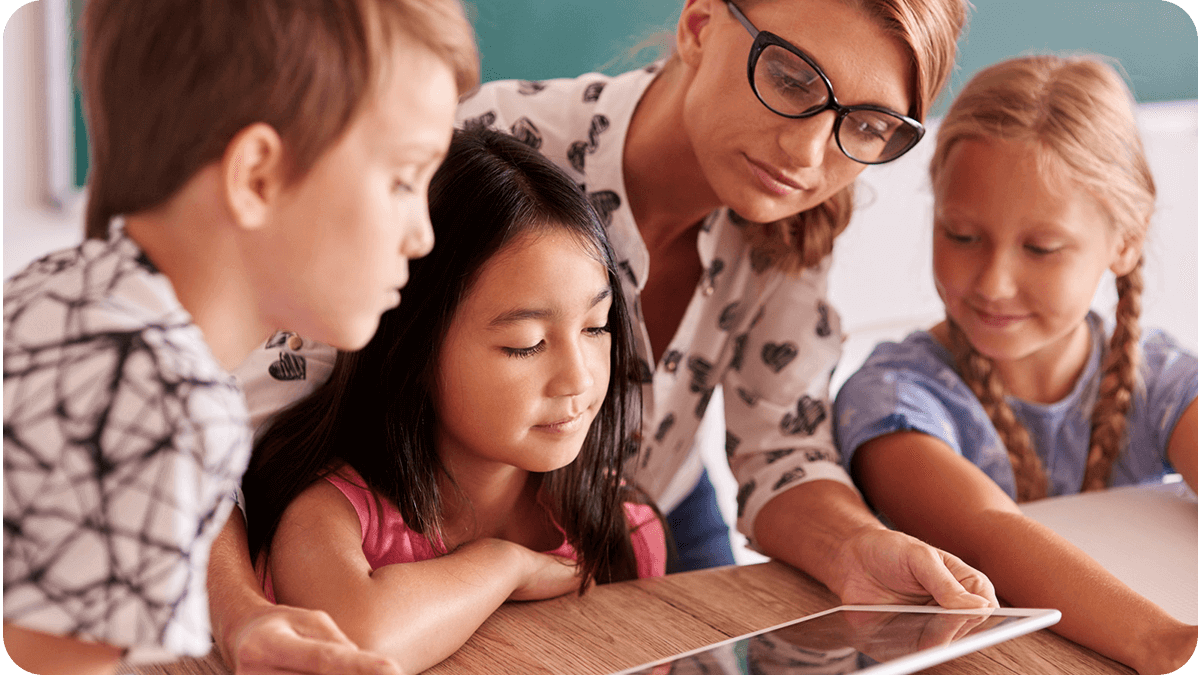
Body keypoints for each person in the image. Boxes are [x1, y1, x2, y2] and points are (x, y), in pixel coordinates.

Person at [233, 0, 998, 613]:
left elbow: (783, 453)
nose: (807, 156)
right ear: (699, 25)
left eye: (865, 125)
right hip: (417, 537)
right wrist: (243, 615)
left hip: (630, 514)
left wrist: (859, 543)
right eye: (795, 79)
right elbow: (261, 425)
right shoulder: (477, 149)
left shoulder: (795, 219)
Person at [2, 1, 478, 674]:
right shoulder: (165, 399)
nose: (422, 234)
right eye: (403, 180)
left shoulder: (66, 290)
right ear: (256, 176)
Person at [240, 126, 667, 674]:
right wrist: (503, 565)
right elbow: (358, 641)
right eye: (526, 344)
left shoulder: (621, 532)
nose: (577, 379)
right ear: (413, 349)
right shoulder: (334, 517)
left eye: (595, 327)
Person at [833, 54, 1198, 675]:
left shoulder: (1160, 377)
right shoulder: (892, 394)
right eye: (963, 236)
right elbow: (986, 535)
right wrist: (1165, 646)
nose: (995, 283)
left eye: (1041, 248)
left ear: (1126, 240)